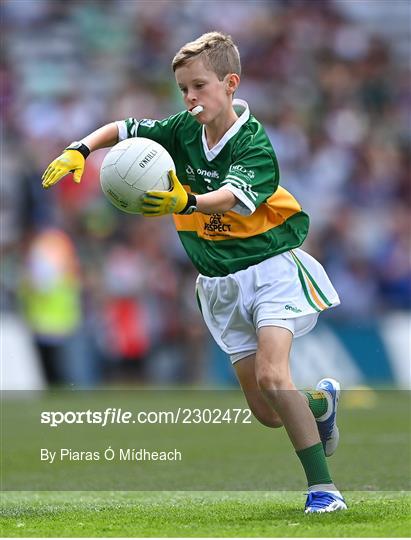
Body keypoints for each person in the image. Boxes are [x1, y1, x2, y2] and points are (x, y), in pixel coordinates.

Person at [42, 31, 347, 514]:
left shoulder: (255, 144)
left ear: (231, 84)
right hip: (219, 284)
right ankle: (318, 406)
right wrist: (80, 148)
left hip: (269, 269)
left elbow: (229, 197)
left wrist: (187, 200)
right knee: (268, 412)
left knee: (273, 375)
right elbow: (124, 129)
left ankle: (323, 491)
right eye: (183, 88)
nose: (190, 98)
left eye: (199, 86)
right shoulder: (183, 129)